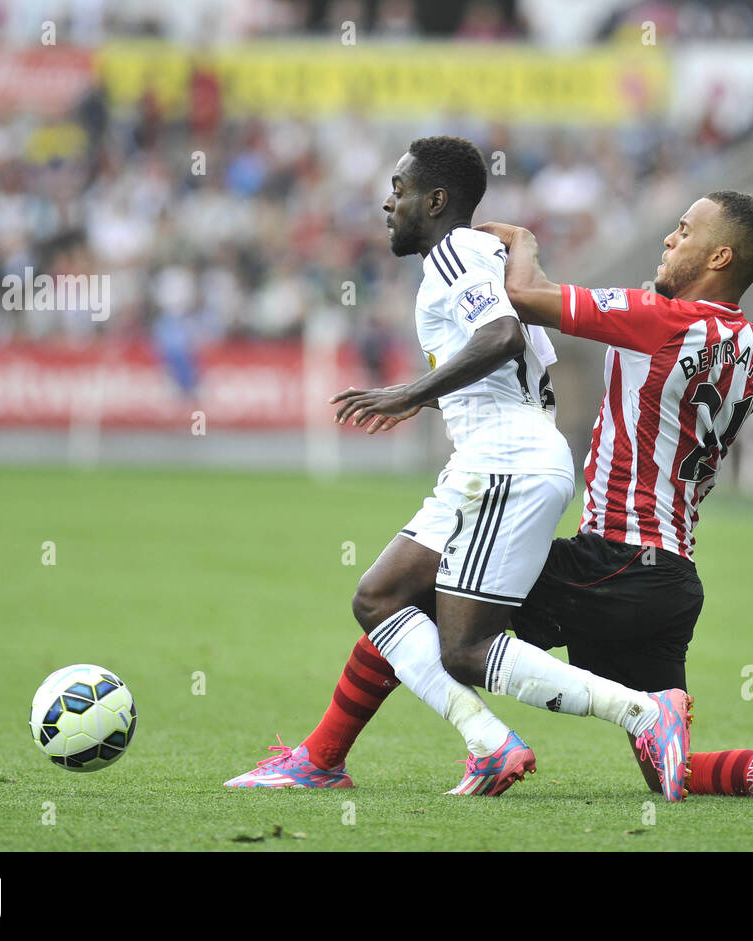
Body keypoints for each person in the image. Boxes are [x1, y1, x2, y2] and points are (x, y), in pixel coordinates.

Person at [244, 189, 753, 803]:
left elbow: (525, 299)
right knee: (671, 771)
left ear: (719, 254)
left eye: (682, 231)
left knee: (411, 598)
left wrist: (523, 241)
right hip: (671, 581)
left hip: (614, 559)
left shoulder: (658, 321)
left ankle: (326, 757)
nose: (666, 240)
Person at [224, 137, 693, 800]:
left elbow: (499, 335)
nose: (389, 202)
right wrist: (521, 241)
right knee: (381, 597)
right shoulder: (480, 254)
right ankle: (472, 743)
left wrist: (408, 393)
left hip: (506, 456)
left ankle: (642, 711)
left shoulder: (454, 253)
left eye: (401, 188)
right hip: (500, 454)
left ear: (435, 200)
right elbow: (511, 310)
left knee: (466, 648)